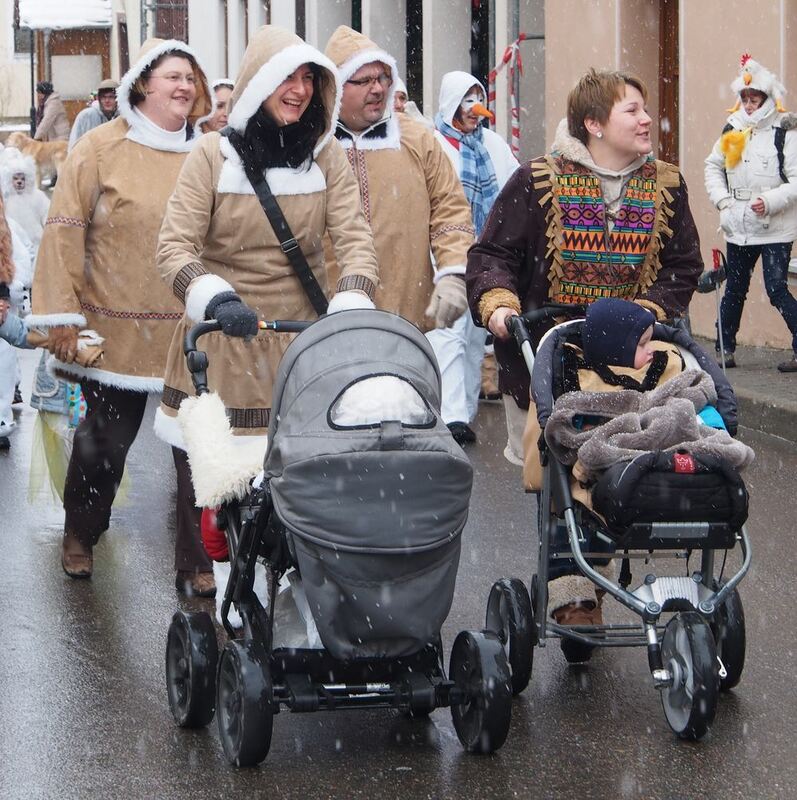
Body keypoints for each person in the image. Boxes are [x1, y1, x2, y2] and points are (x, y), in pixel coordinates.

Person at [466, 68, 703, 630]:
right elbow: (492, 253)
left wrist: (645, 314)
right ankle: (575, 590)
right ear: (593, 124)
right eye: (632, 111)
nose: (647, 119)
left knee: (639, 453)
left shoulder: (665, 185)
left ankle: (599, 568)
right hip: (555, 355)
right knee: (567, 463)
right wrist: (500, 306)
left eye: (645, 110)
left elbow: (683, 264)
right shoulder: (538, 180)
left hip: (635, 358)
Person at [154, 26, 379, 549]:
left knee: (307, 498)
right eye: (287, 78)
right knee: (225, 502)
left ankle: (296, 609)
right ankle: (227, 599)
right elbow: (173, 248)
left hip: (301, 345)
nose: (299, 90)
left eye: (309, 78)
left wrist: (349, 302)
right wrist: (217, 298)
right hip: (223, 340)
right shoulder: (211, 155)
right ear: (259, 83)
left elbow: (356, 241)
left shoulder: (326, 157)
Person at [29, 39, 212, 586]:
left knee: (196, 450)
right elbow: (64, 233)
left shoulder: (212, 151)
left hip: (193, 327)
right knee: (105, 442)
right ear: (142, 85)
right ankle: (81, 532)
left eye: (190, 77)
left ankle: (198, 559)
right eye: (172, 76)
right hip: (115, 325)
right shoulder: (100, 148)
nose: (184, 86)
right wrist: (61, 316)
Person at [323, 26, 473, 343]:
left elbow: (451, 211)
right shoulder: (312, 143)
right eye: (363, 81)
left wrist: (454, 273)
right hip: (325, 322)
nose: (377, 89)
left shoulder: (418, 138)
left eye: (383, 78)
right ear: (335, 87)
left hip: (406, 322)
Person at [427, 71, 519, 444]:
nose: (474, 111)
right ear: (451, 105)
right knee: (448, 332)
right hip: (444, 253)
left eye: (477, 100)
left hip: (483, 253)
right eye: (467, 102)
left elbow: (514, 187)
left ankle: (463, 412)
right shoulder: (433, 143)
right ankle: (448, 415)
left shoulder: (492, 145)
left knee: (472, 338)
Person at [704, 54, 797, 373]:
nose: (747, 104)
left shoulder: (786, 130)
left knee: (776, 289)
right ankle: (723, 349)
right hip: (739, 224)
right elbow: (713, 167)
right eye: (743, 98)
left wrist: (769, 201)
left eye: (753, 98)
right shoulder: (734, 129)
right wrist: (724, 203)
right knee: (735, 289)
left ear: (767, 98)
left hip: (776, 227)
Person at [0, 148, 49, 251]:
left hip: (36, 242)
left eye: (22, 179)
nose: (19, 182)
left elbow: (47, 213)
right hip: (15, 244)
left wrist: (48, 229)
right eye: (16, 178)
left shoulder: (37, 196)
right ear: (9, 179)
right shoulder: (6, 199)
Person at [68, 79, 120, 151]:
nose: (107, 100)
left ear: (118, 98)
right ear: (99, 99)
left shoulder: (123, 118)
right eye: (103, 97)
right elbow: (74, 143)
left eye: (111, 97)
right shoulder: (86, 116)